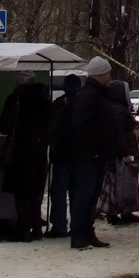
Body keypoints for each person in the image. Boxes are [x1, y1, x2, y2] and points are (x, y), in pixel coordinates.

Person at [60, 57, 120, 250]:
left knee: (90, 196)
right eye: (108, 73)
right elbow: (83, 127)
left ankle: (86, 232)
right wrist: (95, 148)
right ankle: (79, 234)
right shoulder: (89, 96)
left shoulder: (94, 95)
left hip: (92, 155)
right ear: (101, 75)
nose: (110, 77)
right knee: (84, 196)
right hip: (87, 157)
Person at [0, 71, 52, 241]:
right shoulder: (44, 99)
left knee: (21, 193)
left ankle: (23, 230)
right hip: (39, 150)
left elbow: (5, 125)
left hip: (19, 151)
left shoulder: (15, 99)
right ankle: (36, 228)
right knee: (35, 192)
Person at [45, 73, 82, 238]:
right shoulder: (83, 104)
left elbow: (50, 129)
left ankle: (59, 225)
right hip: (80, 155)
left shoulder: (58, 104)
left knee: (59, 191)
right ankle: (77, 225)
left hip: (61, 154)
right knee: (77, 191)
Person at [102, 80, 139, 225]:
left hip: (120, 151)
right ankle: (117, 213)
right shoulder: (118, 109)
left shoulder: (114, 107)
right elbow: (119, 132)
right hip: (120, 153)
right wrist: (124, 151)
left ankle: (124, 212)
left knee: (121, 183)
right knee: (120, 183)